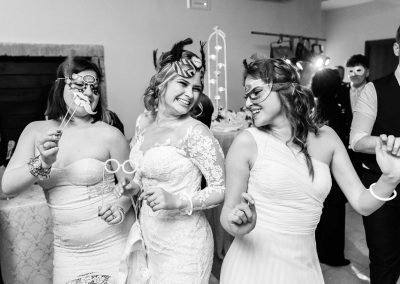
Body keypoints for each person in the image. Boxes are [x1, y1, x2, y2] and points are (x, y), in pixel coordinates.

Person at [219, 57, 400, 284]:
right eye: (246, 95)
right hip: (251, 267)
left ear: (286, 90)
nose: (247, 103)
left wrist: (390, 178)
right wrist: (237, 225)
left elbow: (362, 204)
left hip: (304, 268)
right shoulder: (246, 142)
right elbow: (228, 212)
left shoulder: (328, 138)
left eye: (255, 92)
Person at [1, 57, 134, 284]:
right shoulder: (35, 131)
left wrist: (119, 207)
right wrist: (42, 163)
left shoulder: (110, 134)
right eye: (80, 86)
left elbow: (130, 189)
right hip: (68, 253)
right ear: (60, 85)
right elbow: (8, 186)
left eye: (94, 87)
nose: (89, 92)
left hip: (112, 243)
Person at [118, 38, 225, 283]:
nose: (190, 94)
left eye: (196, 88)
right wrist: (132, 188)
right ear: (162, 82)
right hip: (149, 238)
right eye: (183, 83)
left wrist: (176, 200)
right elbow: (141, 176)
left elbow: (220, 190)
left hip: (184, 245)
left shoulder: (195, 132)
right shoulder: (143, 123)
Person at [350, 25, 400, 284]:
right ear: (397, 48)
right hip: (382, 187)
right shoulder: (374, 90)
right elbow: (357, 140)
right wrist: (388, 143)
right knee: (385, 260)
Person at [311, 68, 350, 266]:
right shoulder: (335, 107)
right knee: (334, 210)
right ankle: (333, 254)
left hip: (319, 164)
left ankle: (321, 250)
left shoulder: (317, 107)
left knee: (323, 209)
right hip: (334, 165)